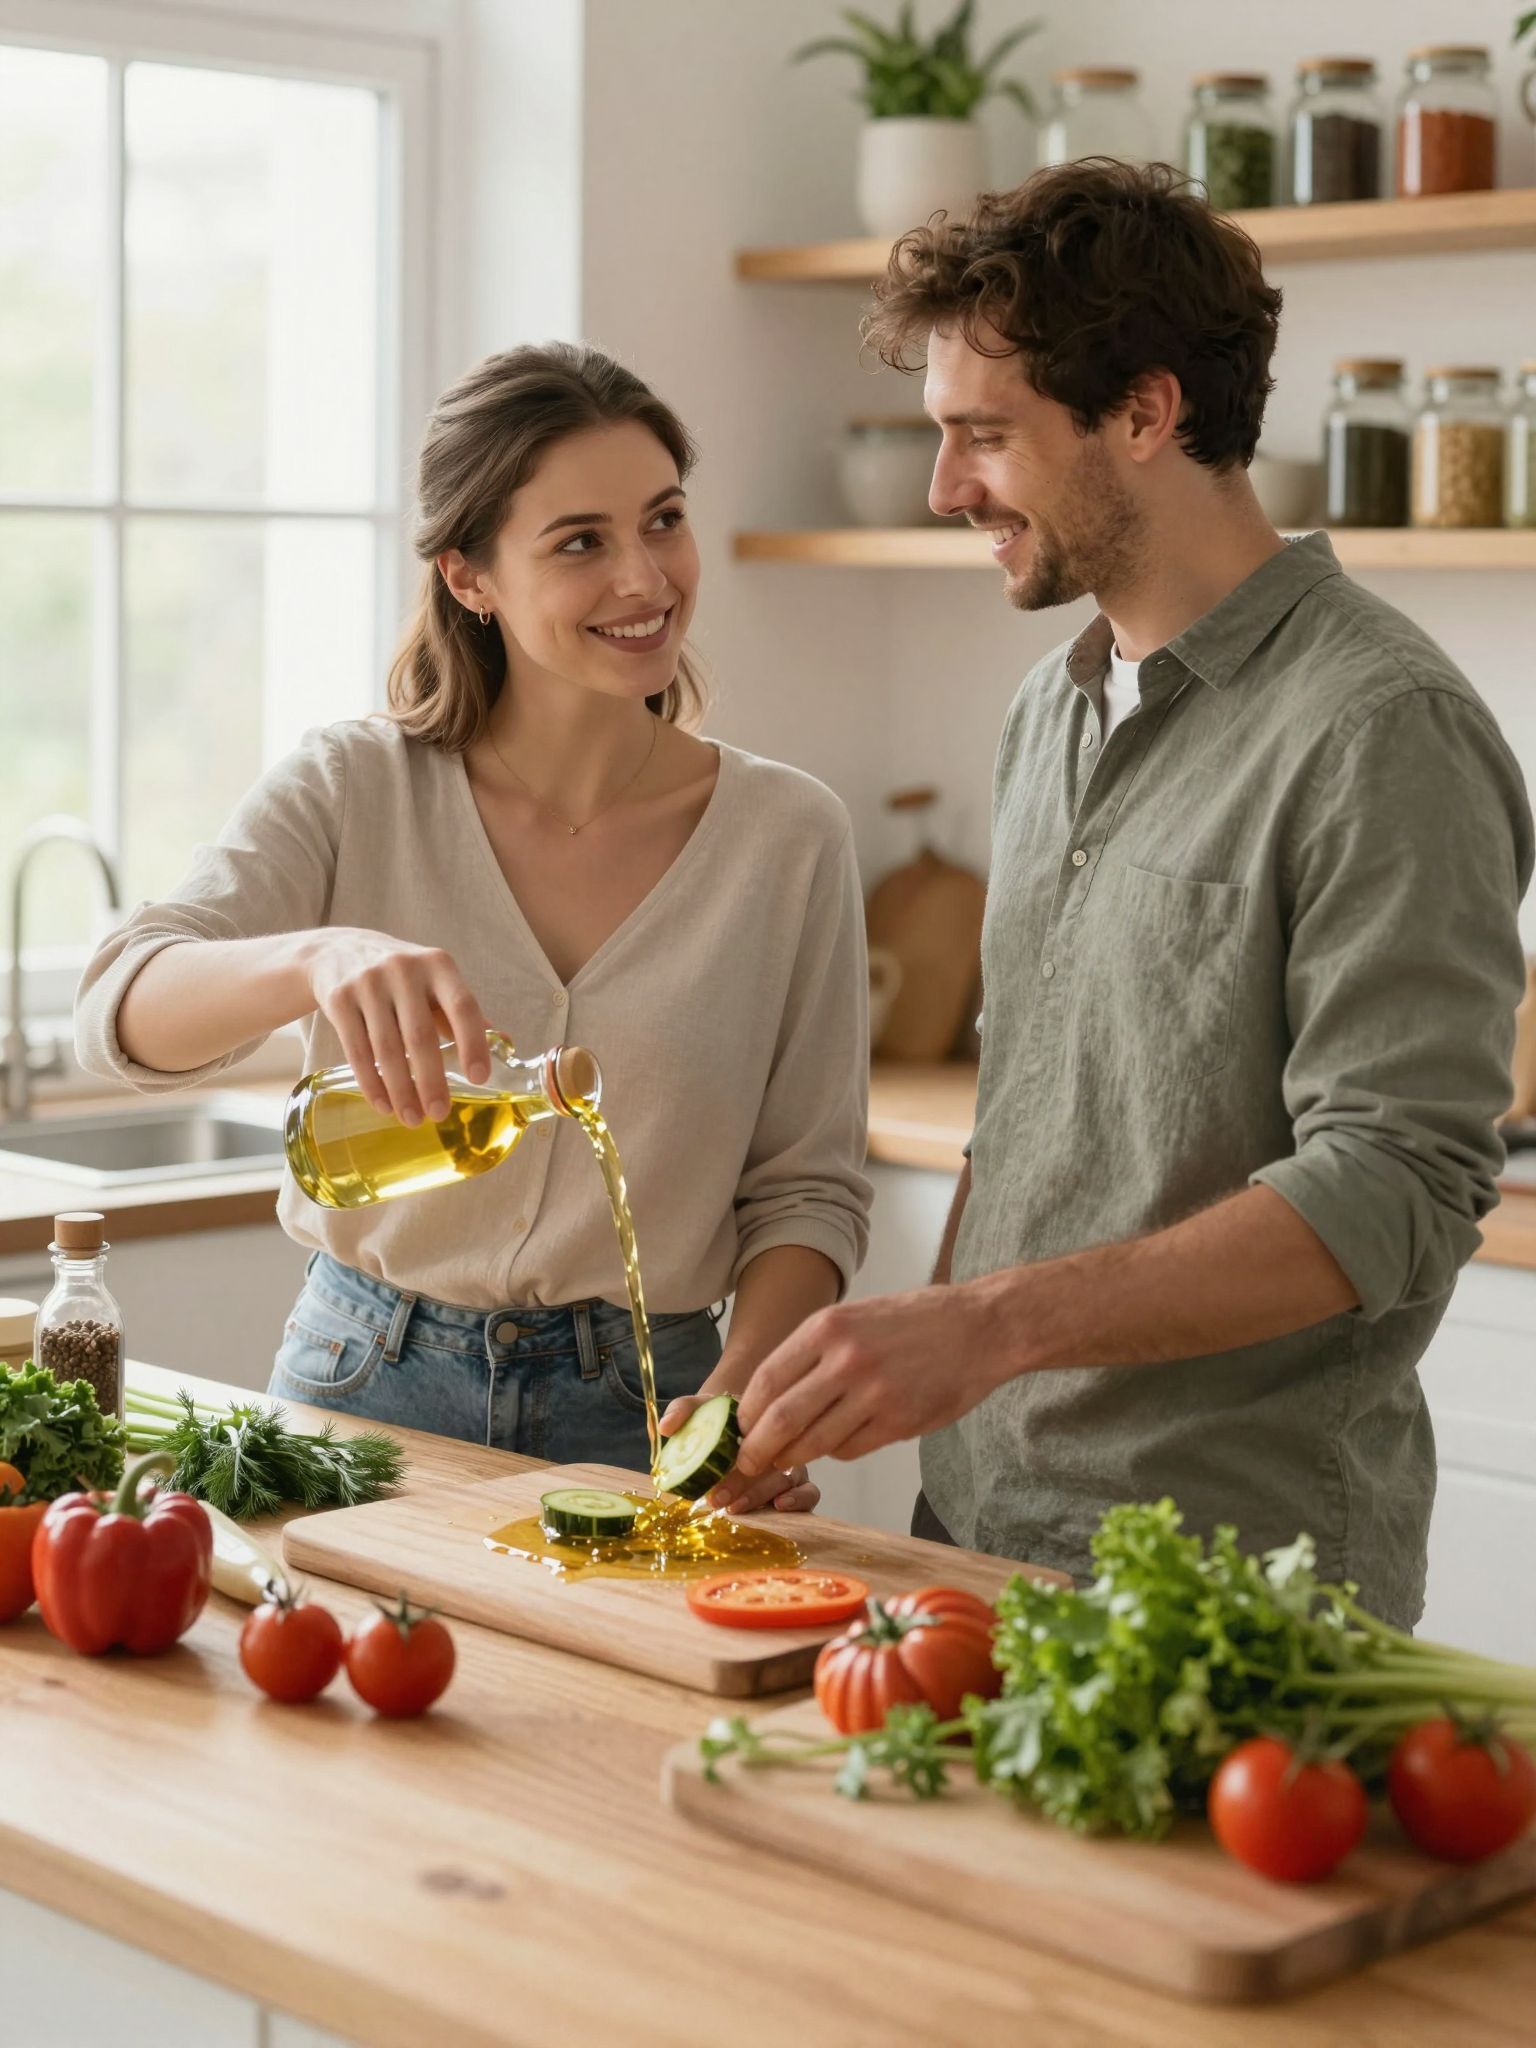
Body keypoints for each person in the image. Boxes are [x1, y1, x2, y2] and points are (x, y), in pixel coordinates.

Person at [726, 159, 1533, 1626]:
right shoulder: (1052, 707)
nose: (945, 489)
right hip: (976, 1520)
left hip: (1230, 1573)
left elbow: (1393, 1186)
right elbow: (1026, 1115)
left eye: (986, 436)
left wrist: (982, 1327)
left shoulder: (1380, 728)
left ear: (1148, 414)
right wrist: (870, 1382)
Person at [75, 343, 871, 1514]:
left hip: (649, 1402)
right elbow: (118, 1009)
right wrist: (316, 956)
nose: (645, 576)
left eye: (663, 519)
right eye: (580, 541)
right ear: (470, 575)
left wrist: (738, 1407)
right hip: (362, 1381)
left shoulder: (788, 836)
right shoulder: (354, 787)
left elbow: (808, 1191)